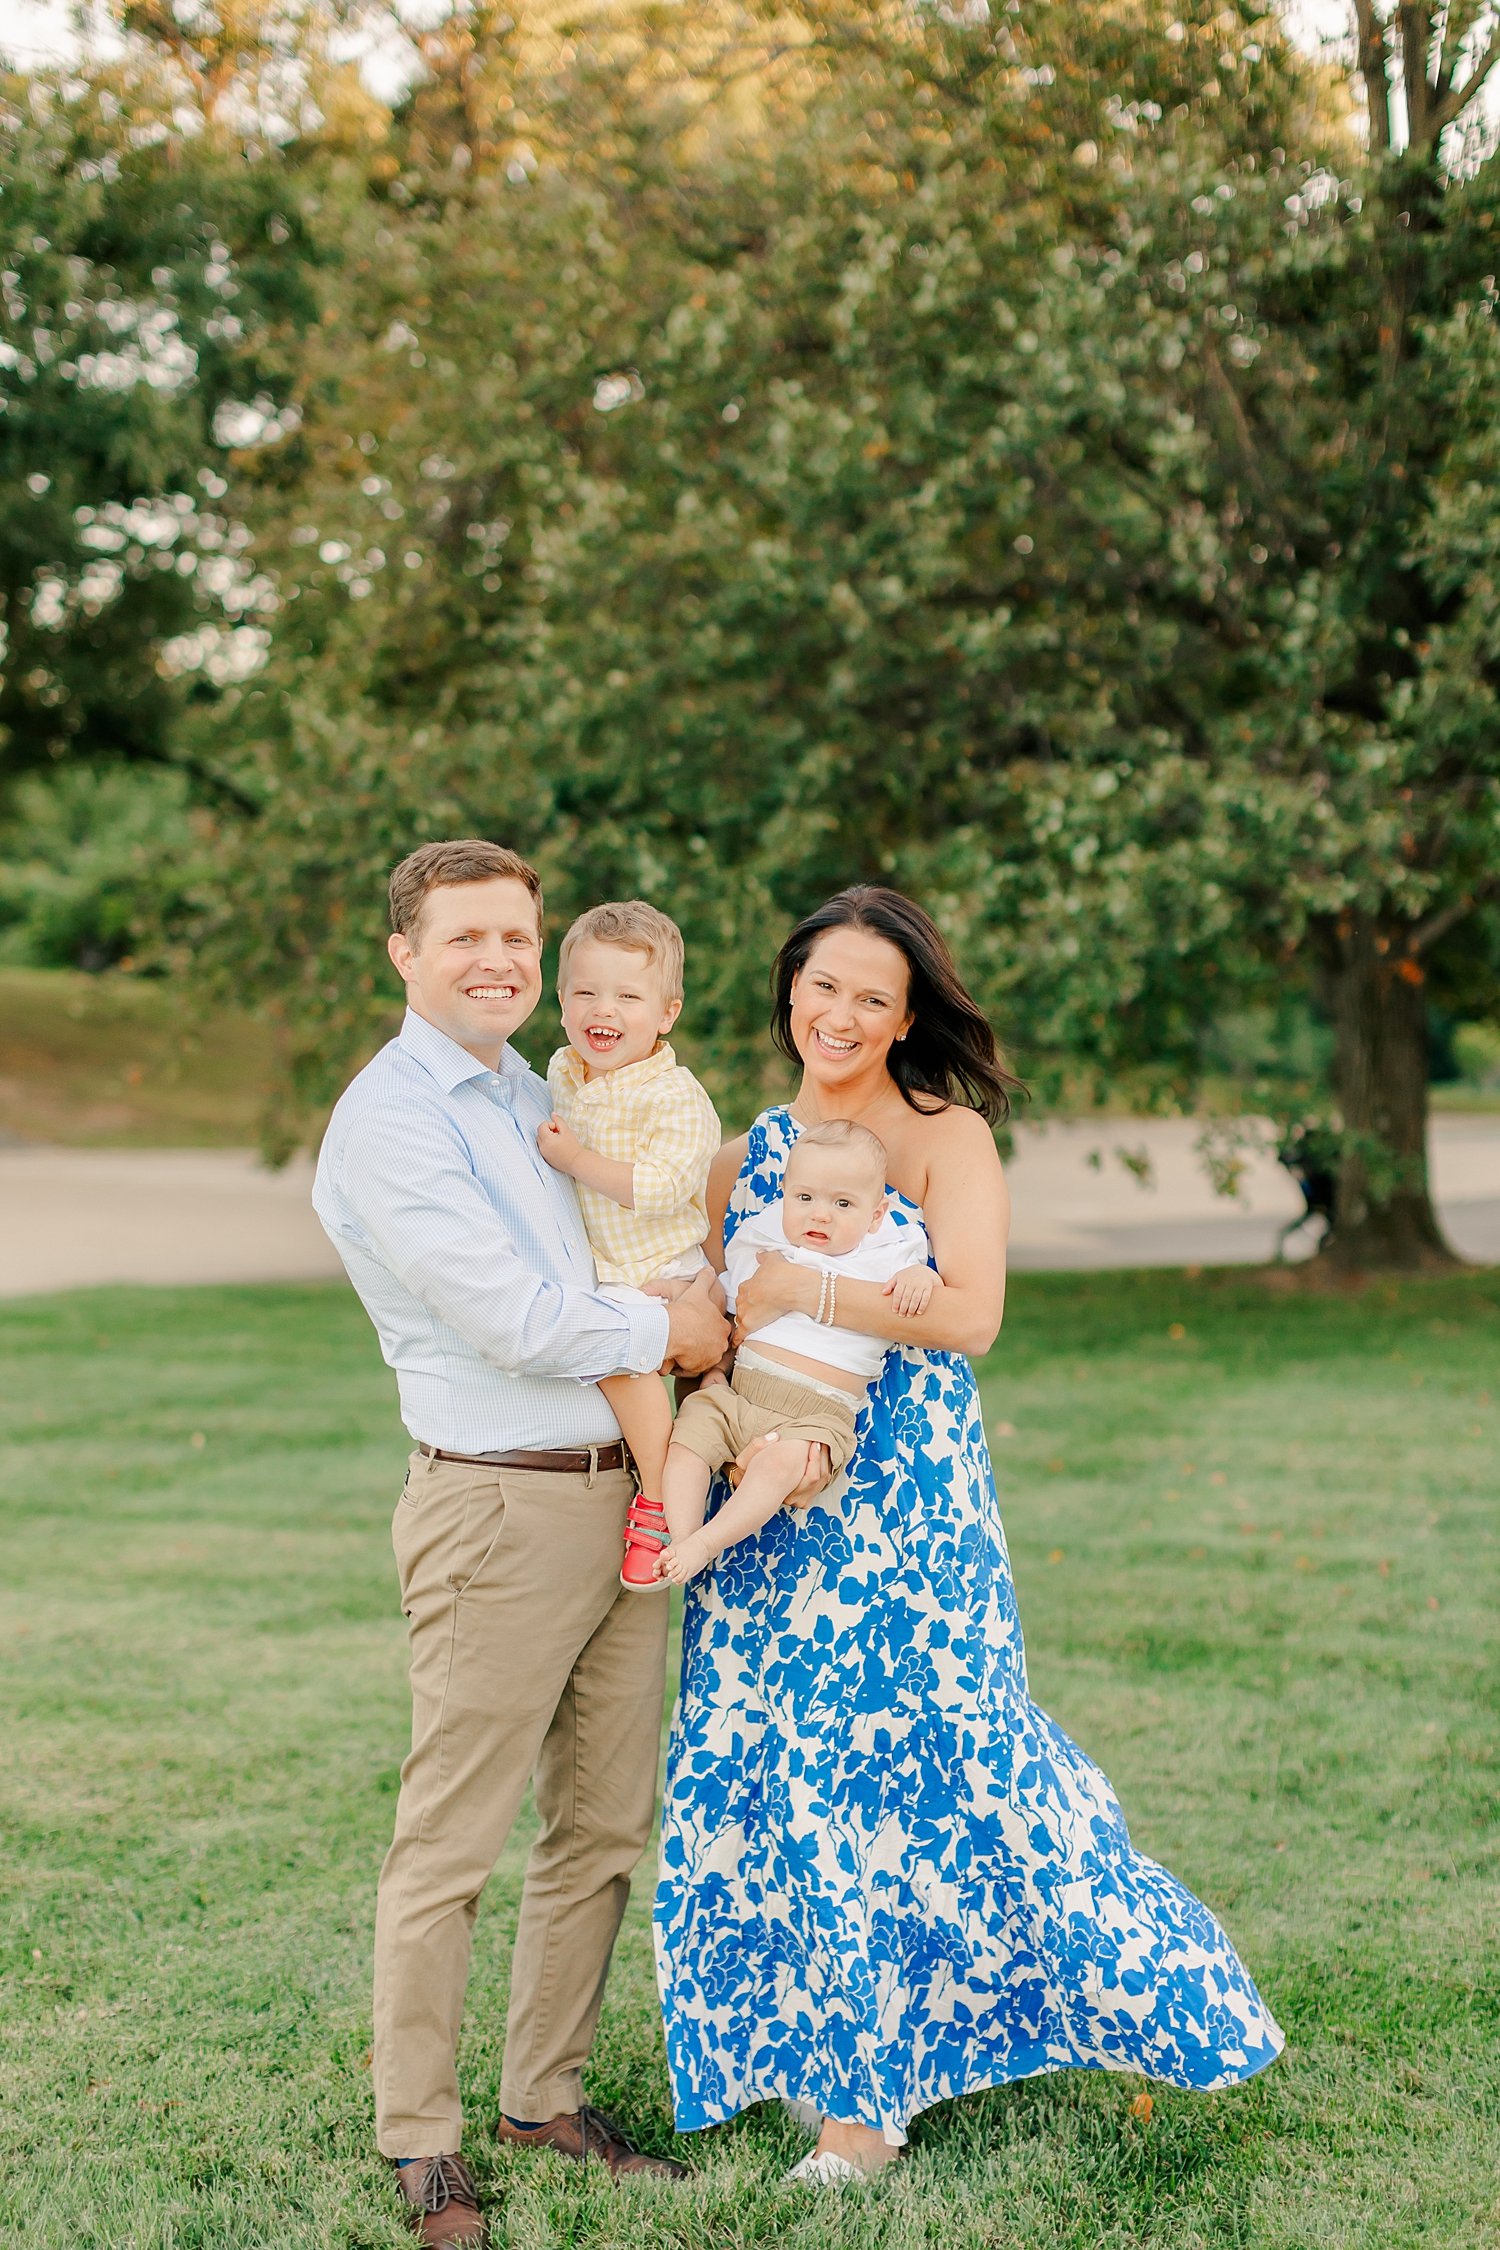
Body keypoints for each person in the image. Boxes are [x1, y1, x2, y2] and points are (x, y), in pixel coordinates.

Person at [653, 885, 1284, 2186]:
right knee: (790, 1774)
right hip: (769, 1509)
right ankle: (843, 2074)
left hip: (906, 1509)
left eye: (873, 998)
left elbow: (973, 1317)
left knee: (932, 1766)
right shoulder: (742, 1155)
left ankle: (907, 2084)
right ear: (788, 990)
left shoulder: (943, 1139)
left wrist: (803, 1282)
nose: (842, 1014)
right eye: (823, 986)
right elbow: (721, 1324)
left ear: (904, 1016)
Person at [312, 839, 728, 2248]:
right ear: (406, 954)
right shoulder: (392, 1121)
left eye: (515, 935)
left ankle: (544, 2093)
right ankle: (422, 2138)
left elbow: (633, 1226)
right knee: (452, 1838)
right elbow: (515, 1317)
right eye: (465, 935)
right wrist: (677, 1329)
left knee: (604, 1821)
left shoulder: (541, 1091)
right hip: (496, 1503)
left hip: (631, 1488)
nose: (495, 958)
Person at [654, 1118, 934, 1587]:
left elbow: (926, 1279)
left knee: (783, 1465)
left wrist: (920, 1277)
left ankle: (708, 1541)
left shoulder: (891, 1245)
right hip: (741, 1392)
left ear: (876, 1212)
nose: (819, 1215)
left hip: (816, 1410)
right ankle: (681, 1538)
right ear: (786, 1192)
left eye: (843, 1203)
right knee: (686, 1440)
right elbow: (727, 1300)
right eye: (804, 1198)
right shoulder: (763, 1234)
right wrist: (689, 1301)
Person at [533, 900, 722, 1590]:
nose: (602, 1010)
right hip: (605, 1269)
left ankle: (660, 1500)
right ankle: (687, 1477)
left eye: (627, 996)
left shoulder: (674, 1096)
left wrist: (576, 1160)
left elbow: (661, 1187)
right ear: (560, 1003)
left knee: (625, 1360)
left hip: (658, 1265)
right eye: (585, 992)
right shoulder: (562, 1071)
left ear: (666, 1012)